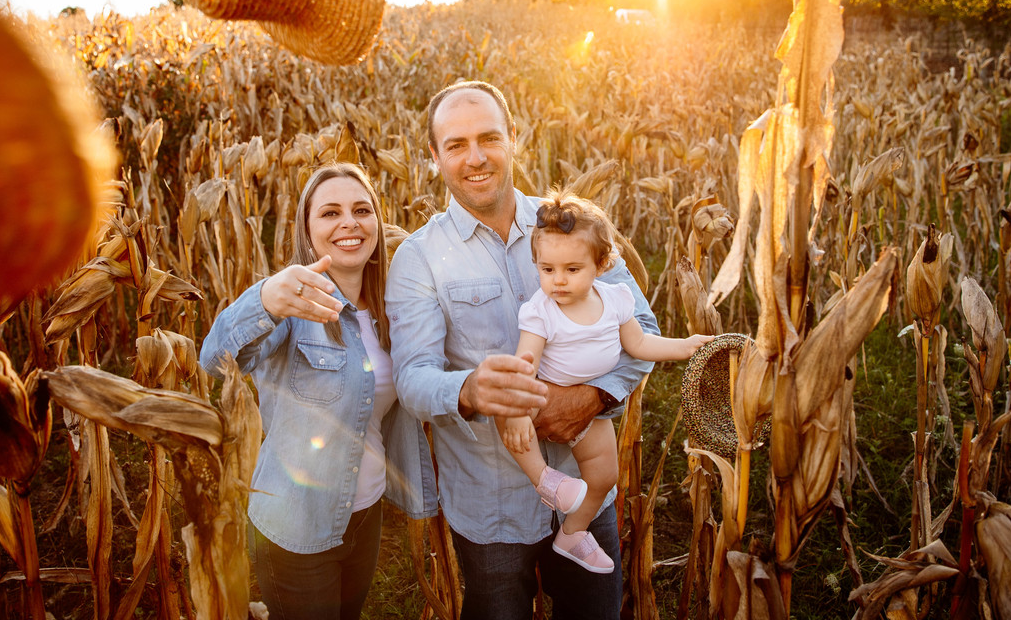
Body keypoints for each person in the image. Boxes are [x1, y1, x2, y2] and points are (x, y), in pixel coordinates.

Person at [385, 81, 658, 620]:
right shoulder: (418, 258)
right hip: (493, 509)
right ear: (435, 156)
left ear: (514, 138)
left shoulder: (574, 224)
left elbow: (641, 328)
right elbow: (413, 378)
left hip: (586, 492)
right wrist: (470, 389)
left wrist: (594, 397)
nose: (476, 157)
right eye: (456, 145)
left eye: (489, 138)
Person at [199, 162, 436, 620]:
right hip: (295, 526)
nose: (349, 223)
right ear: (307, 231)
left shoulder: (391, 309)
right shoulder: (291, 304)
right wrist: (264, 299)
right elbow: (215, 361)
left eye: (361, 210)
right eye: (330, 213)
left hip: (365, 514)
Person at [497, 189, 712, 573]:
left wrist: (685, 346)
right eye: (547, 270)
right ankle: (545, 480)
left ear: (601, 264)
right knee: (509, 413)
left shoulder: (615, 300)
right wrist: (517, 412)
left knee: (605, 475)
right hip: (542, 394)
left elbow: (639, 344)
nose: (558, 281)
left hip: (589, 411)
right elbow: (525, 363)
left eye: (572, 270)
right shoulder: (540, 311)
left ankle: (573, 533)